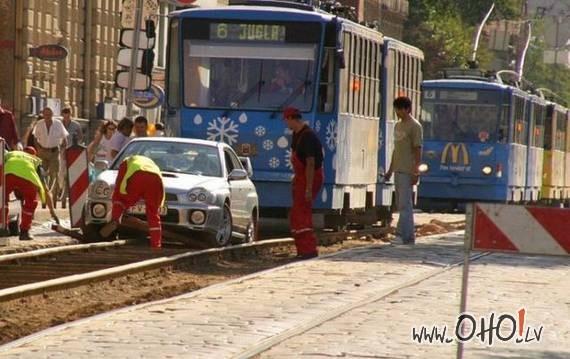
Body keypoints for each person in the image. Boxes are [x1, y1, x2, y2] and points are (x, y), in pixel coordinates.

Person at [283, 106, 324, 259]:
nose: (286, 124)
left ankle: (308, 250)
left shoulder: (307, 137)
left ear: (292, 119)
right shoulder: (296, 134)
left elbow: (311, 163)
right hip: (301, 177)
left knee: (302, 213)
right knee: (297, 213)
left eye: (286, 120)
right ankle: (302, 249)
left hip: (310, 177)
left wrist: (308, 187)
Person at [99, 155, 165, 249]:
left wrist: (120, 206)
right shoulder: (152, 165)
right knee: (153, 213)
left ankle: (115, 220)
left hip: (137, 177)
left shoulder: (126, 161)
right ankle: (156, 245)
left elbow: (119, 185)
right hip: (155, 179)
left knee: (120, 198)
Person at [384, 96, 423, 245]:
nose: (397, 112)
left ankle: (401, 235)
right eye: (396, 109)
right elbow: (396, 150)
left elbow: (417, 150)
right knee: (402, 204)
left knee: (405, 205)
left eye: (399, 109)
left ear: (407, 109)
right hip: (398, 169)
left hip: (408, 169)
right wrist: (390, 170)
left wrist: (416, 171)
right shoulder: (398, 126)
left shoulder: (415, 126)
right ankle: (409, 236)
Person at [4, 147, 59, 240]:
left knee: (2, 199)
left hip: (8, 173)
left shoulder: (12, 154)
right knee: (30, 202)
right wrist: (53, 213)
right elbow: (46, 191)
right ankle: (24, 232)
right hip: (27, 178)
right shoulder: (35, 161)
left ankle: (2, 228)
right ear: (34, 155)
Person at [32, 107, 68, 194]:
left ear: (52, 115)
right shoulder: (39, 124)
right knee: (41, 173)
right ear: (43, 115)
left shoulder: (58, 124)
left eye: (49, 114)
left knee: (54, 172)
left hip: (54, 152)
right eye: (45, 114)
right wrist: (38, 149)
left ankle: (52, 190)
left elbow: (65, 138)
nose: (47, 116)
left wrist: (63, 150)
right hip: (42, 152)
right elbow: (35, 138)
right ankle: (45, 190)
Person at [58, 107, 84, 208]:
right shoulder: (59, 124)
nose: (66, 115)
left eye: (67, 113)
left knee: (69, 173)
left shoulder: (76, 125)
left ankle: (66, 192)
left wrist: (77, 145)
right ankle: (60, 189)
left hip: (72, 151)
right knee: (61, 172)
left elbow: (81, 137)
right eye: (64, 113)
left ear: (70, 114)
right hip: (61, 151)